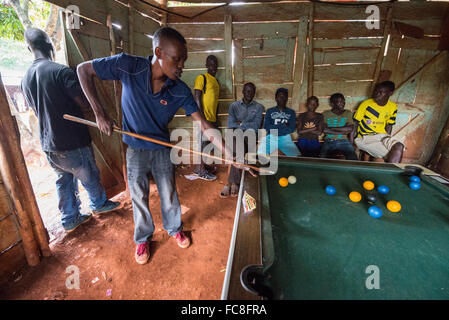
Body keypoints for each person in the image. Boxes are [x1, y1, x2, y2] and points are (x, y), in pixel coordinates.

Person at [77, 27, 231, 265]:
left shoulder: (179, 90)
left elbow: (204, 125)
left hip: (161, 148)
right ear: (158, 52)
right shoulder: (127, 65)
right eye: (176, 59)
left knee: (168, 192)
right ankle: (142, 238)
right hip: (135, 148)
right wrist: (100, 113)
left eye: (184, 60)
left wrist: (229, 155)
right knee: (138, 195)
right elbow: (83, 70)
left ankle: (174, 227)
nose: (181, 66)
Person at [20, 28, 120, 233]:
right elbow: (84, 103)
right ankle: (99, 204)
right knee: (90, 175)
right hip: (72, 141)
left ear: (29, 48)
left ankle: (70, 217)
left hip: (49, 144)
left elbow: (36, 108)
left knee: (64, 180)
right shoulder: (60, 71)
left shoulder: (25, 78)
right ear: (49, 45)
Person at [220, 82, 264, 198]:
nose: (250, 93)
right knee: (235, 139)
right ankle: (235, 182)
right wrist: (245, 125)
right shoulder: (234, 106)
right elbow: (231, 124)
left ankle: (232, 182)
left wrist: (241, 123)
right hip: (236, 134)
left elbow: (256, 126)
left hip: (250, 136)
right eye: (247, 91)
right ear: (243, 92)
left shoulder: (258, 107)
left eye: (252, 91)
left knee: (236, 150)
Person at [353, 81, 404, 163]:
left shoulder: (393, 107)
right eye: (376, 91)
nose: (377, 94)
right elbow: (355, 123)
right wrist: (352, 141)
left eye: (381, 92)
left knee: (399, 146)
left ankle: (391, 172)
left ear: (390, 93)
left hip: (382, 136)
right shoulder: (366, 104)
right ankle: (391, 174)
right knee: (389, 155)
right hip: (365, 137)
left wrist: (387, 138)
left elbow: (389, 125)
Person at [193, 55, 220, 181]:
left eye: (215, 64)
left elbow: (216, 102)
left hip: (212, 119)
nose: (213, 66)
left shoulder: (216, 82)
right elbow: (197, 97)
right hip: (204, 118)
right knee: (202, 144)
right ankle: (201, 171)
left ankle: (202, 167)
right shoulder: (202, 78)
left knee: (208, 144)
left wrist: (216, 119)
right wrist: (202, 119)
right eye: (210, 64)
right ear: (206, 65)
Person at [257, 88, 300, 157]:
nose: (282, 98)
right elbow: (267, 127)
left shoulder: (291, 112)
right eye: (280, 96)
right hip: (272, 136)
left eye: (284, 96)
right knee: (260, 153)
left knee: (296, 156)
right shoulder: (269, 111)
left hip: (285, 137)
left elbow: (291, 129)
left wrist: (275, 128)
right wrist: (283, 125)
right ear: (276, 98)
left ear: (287, 98)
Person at [320, 93, 358, 160]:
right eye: (339, 102)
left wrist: (330, 128)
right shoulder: (326, 113)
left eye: (343, 101)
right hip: (329, 141)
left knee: (353, 159)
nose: (342, 103)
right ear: (332, 104)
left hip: (344, 141)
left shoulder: (348, 113)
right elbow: (324, 130)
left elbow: (350, 128)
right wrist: (343, 132)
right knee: (322, 159)